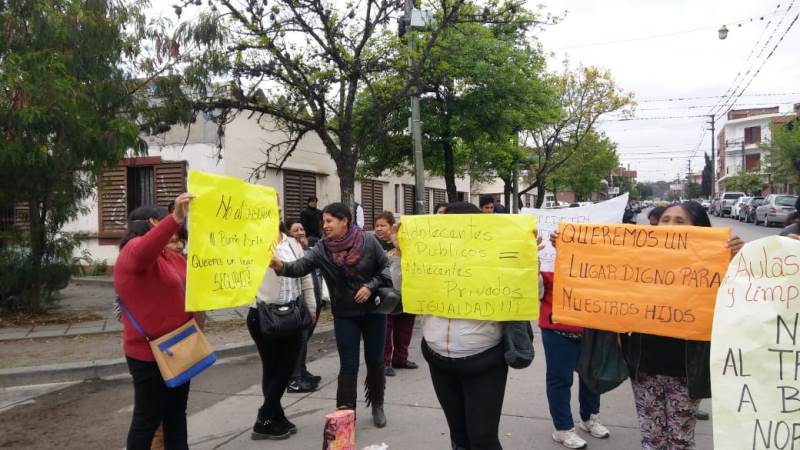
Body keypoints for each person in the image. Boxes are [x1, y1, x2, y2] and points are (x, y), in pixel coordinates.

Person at [620, 201, 743, 450]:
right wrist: (569, 248)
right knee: (651, 437)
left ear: (698, 228)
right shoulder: (639, 258)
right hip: (645, 365)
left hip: (685, 369)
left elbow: (737, 301)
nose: (670, 226)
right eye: (665, 220)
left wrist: (735, 260)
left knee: (680, 440)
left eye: (679, 221)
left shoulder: (716, 263)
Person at [270, 203, 392, 428]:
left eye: (329, 221)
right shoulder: (322, 248)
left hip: (374, 312)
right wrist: (279, 266)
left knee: (375, 360)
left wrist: (370, 286)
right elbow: (300, 267)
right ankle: (346, 414)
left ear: (344, 220)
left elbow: (385, 269)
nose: (324, 226)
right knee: (348, 365)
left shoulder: (368, 241)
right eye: (323, 222)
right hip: (345, 314)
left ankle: (377, 404)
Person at [421, 201, 510, 450]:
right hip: (439, 360)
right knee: (459, 436)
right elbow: (403, 292)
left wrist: (525, 262)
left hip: (483, 361)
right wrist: (399, 256)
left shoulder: (495, 256)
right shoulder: (430, 258)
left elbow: (529, 294)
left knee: (483, 438)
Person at [114, 193, 194, 450]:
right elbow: (143, 250)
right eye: (165, 224)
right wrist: (175, 218)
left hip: (179, 347)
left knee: (176, 416)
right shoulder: (132, 253)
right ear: (151, 223)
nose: (175, 233)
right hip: (149, 356)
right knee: (147, 419)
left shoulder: (169, 256)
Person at [247, 222, 317, 440]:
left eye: (277, 210)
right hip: (264, 314)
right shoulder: (251, 242)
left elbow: (304, 275)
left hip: (293, 313)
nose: (275, 213)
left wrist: (311, 306)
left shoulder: (292, 243)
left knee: (287, 368)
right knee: (272, 367)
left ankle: (273, 415)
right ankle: (266, 418)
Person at [539, 274, 610, 449]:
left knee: (592, 376)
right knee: (560, 379)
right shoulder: (549, 255)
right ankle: (563, 428)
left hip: (592, 326)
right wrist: (535, 265)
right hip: (558, 327)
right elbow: (536, 291)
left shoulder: (597, 252)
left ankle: (589, 417)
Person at [372, 211, 418, 377]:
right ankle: (384, 362)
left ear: (391, 226)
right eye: (377, 225)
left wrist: (395, 239)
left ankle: (401, 358)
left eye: (383, 225)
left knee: (405, 327)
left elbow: (413, 256)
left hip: (406, 290)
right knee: (386, 328)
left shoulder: (403, 242)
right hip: (384, 293)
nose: (379, 229)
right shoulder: (372, 243)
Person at [286, 221, 326, 392]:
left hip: (312, 302)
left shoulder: (307, 250)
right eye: (296, 230)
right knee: (298, 340)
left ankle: (301, 371)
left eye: (302, 229)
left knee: (304, 339)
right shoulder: (289, 251)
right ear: (288, 234)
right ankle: (294, 379)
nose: (301, 232)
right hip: (299, 304)